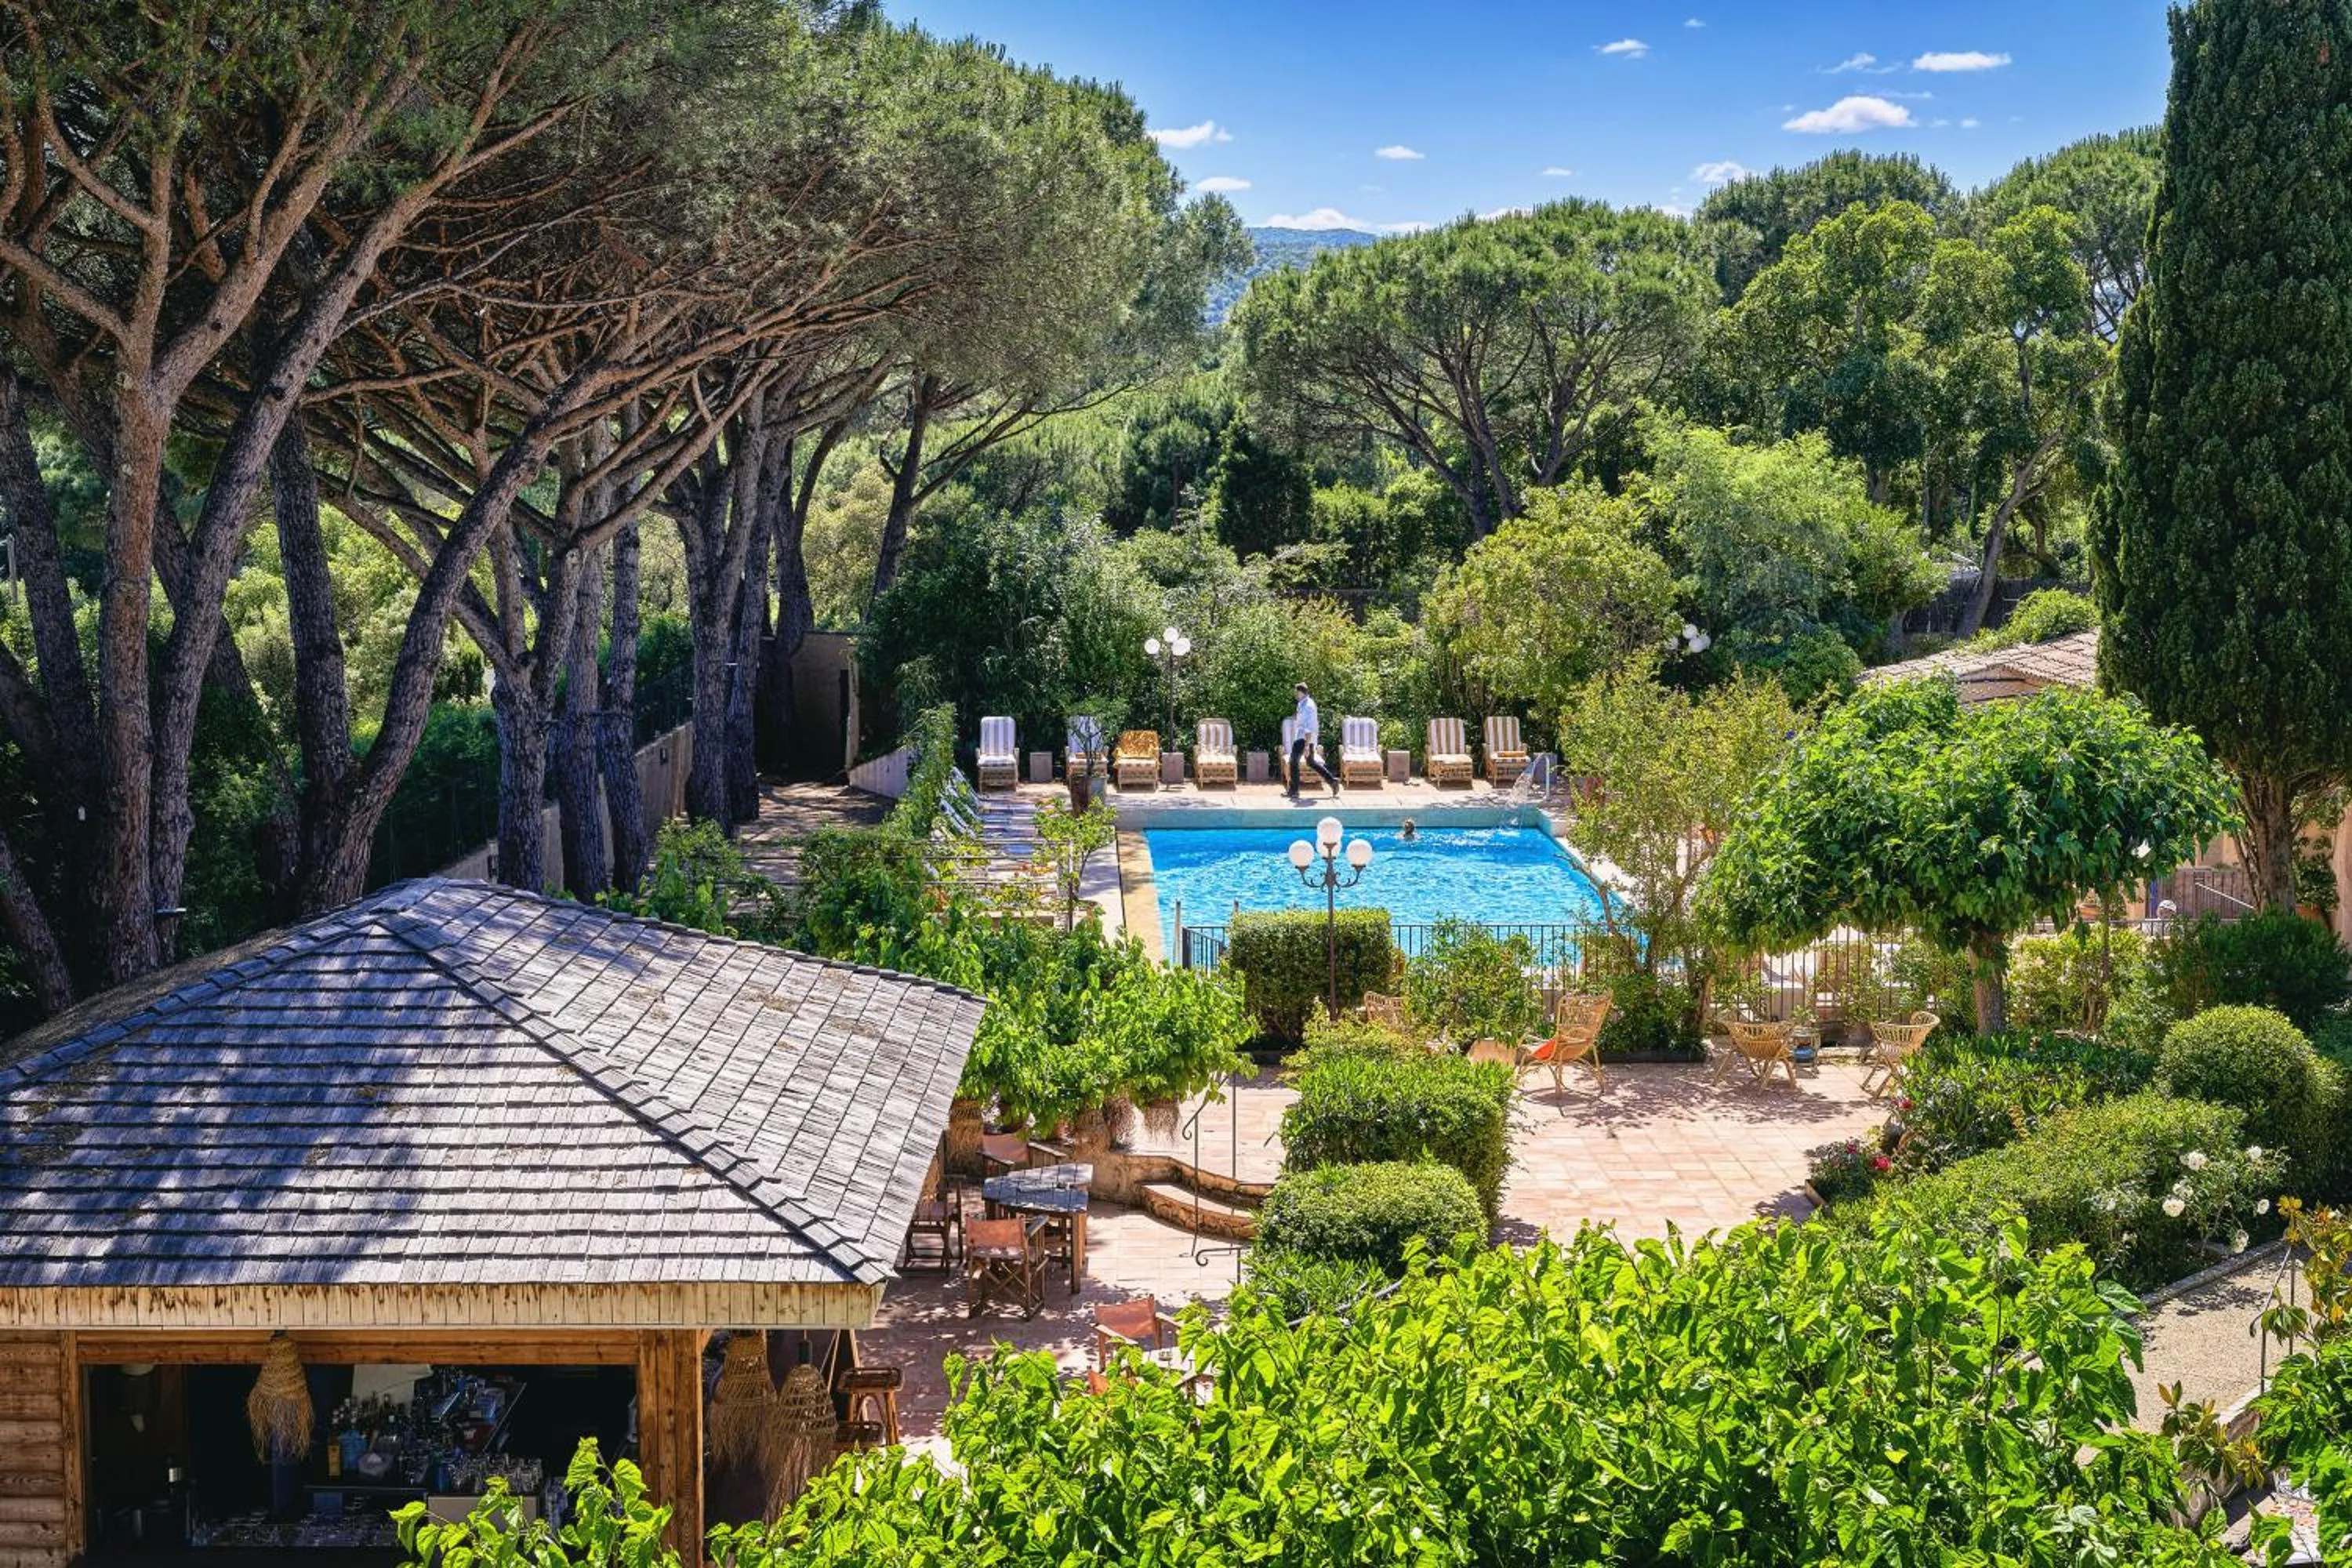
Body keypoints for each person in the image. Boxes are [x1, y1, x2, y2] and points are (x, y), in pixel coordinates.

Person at [1287, 681, 1339, 800]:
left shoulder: (1308, 706)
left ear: (1301, 692)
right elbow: (1300, 717)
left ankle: (1294, 791)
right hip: (1304, 738)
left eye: (1296, 692)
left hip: (1304, 738)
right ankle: (1332, 781)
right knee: (1310, 762)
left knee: (1293, 761)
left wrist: (1306, 745)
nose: (1295, 694)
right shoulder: (1302, 704)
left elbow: (1308, 727)